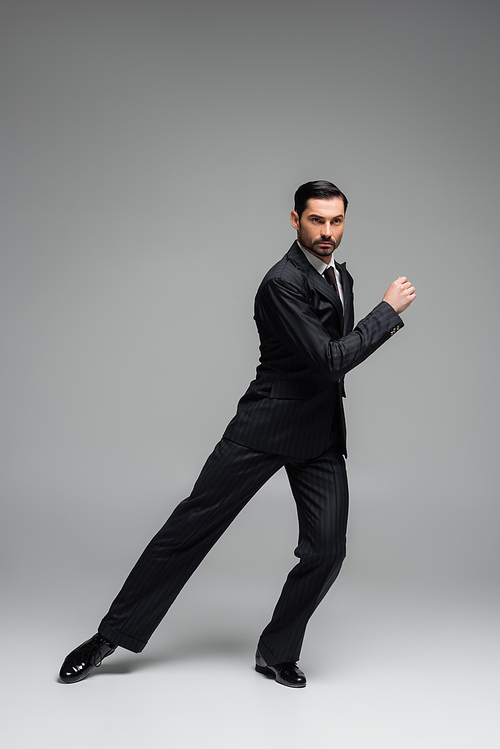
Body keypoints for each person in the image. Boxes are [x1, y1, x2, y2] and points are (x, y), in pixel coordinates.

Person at [59, 180, 415, 688]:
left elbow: (332, 360)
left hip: (318, 433)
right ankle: (109, 638)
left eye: (336, 221)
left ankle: (276, 652)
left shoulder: (342, 276)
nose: (327, 232)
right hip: (266, 425)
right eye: (317, 221)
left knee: (326, 552)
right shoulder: (281, 283)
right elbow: (333, 358)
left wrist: (371, 319)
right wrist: (388, 313)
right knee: (188, 532)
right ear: (295, 221)